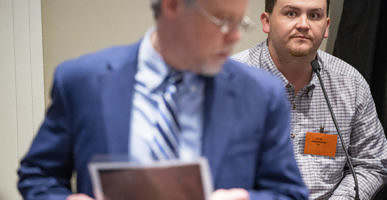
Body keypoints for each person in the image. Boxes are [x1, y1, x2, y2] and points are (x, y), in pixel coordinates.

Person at [17, 0, 309, 199]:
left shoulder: (261, 93)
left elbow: (290, 193)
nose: (234, 37)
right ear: (172, 6)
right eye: (222, 21)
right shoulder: (82, 81)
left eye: (239, 23)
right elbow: (38, 174)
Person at [233, 0, 387, 199]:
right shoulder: (226, 81)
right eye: (291, 13)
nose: (304, 24)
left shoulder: (351, 84)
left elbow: (371, 163)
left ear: (326, 27)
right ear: (267, 22)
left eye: (314, 15)